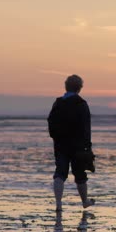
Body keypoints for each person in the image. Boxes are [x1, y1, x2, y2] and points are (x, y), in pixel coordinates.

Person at [48, 74, 95, 212]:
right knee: (80, 175)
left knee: (60, 173)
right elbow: (86, 128)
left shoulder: (58, 103)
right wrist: (88, 147)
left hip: (60, 144)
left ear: (66, 86)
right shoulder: (81, 104)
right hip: (78, 145)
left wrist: (55, 138)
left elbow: (50, 122)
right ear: (79, 88)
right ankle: (85, 201)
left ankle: (58, 203)